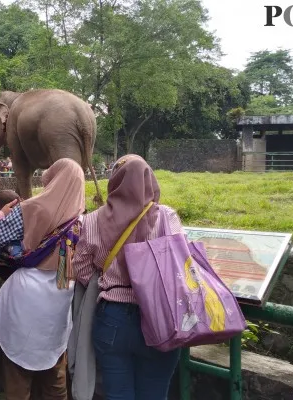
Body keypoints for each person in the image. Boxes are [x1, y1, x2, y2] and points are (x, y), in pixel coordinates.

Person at [72, 154, 184, 400]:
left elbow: (79, 268)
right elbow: (180, 262)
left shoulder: (92, 220)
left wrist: (105, 277)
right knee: (155, 393)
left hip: (112, 317)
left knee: (117, 394)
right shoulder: (166, 216)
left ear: (115, 180)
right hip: (160, 316)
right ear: (150, 179)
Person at [0, 158, 86, 400]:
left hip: (23, 299)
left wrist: (19, 248)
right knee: (55, 381)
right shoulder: (83, 221)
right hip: (59, 303)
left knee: (18, 378)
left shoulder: (32, 208)